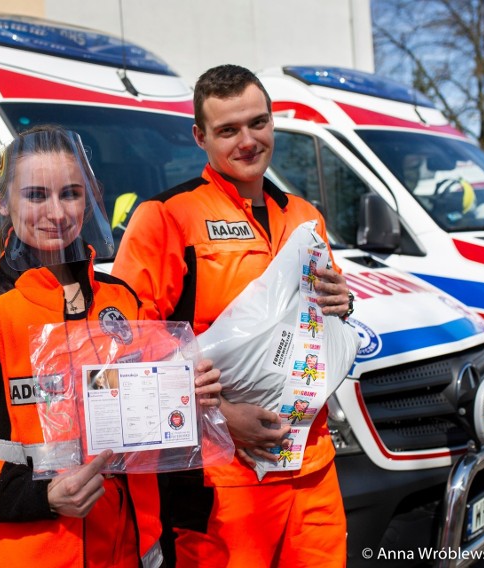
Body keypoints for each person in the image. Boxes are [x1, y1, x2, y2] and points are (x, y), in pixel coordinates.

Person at [0, 125, 221, 568]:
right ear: (2, 201)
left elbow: (155, 433)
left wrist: (187, 398)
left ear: (91, 195)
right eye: (36, 195)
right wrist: (44, 495)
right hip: (39, 551)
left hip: (136, 552)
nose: (56, 213)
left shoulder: (123, 299)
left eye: (72, 194)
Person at [112, 65, 353, 567]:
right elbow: (126, 350)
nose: (248, 140)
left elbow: (322, 321)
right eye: (228, 130)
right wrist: (219, 419)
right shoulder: (166, 216)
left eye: (258, 123)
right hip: (223, 478)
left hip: (312, 467)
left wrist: (343, 303)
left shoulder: (306, 217)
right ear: (199, 136)